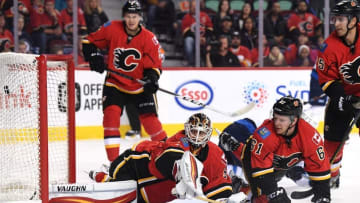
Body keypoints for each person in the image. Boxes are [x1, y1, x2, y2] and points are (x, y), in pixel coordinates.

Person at [82, 0, 167, 162]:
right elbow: (88, 42)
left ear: (140, 17)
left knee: (151, 123)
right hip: (115, 83)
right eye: (128, 16)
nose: (131, 20)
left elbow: (155, 66)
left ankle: (168, 154)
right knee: (110, 117)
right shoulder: (112, 28)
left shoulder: (149, 38)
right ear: (124, 16)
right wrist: (93, 56)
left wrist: (151, 79)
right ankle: (114, 163)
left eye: (134, 16)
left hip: (139, 87)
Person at [89, 113, 233, 202]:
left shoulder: (216, 154)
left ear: (208, 134)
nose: (196, 136)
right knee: (117, 183)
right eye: (194, 131)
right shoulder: (180, 140)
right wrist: (181, 175)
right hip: (136, 165)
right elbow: (164, 160)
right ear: (187, 129)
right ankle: (106, 176)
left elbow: (220, 183)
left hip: (154, 194)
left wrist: (224, 198)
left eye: (201, 133)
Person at [220, 96, 331, 203]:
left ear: (294, 121)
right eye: (275, 117)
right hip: (256, 155)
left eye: (281, 120)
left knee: (274, 178)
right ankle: (241, 186)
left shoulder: (309, 136)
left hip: (274, 162)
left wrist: (323, 193)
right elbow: (257, 165)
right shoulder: (266, 134)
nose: (276, 123)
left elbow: (319, 167)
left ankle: (239, 184)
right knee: (264, 198)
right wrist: (273, 193)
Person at [316, 0, 360, 189]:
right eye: (335, 19)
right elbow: (326, 79)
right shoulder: (329, 47)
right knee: (333, 141)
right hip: (343, 95)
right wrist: (341, 98)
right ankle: (332, 175)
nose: (337, 23)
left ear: (353, 20)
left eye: (341, 19)